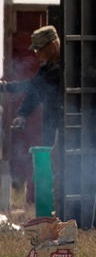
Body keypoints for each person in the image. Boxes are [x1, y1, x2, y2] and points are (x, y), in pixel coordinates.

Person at [0, 26, 63, 215]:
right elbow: (35, 94)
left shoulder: (64, 67)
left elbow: (34, 86)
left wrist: (6, 87)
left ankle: (62, 212)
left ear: (52, 45)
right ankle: (56, 210)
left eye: (39, 49)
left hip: (67, 124)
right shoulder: (47, 67)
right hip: (52, 124)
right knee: (55, 166)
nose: (37, 54)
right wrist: (22, 115)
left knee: (62, 167)